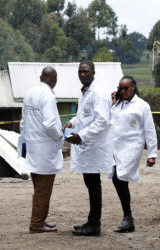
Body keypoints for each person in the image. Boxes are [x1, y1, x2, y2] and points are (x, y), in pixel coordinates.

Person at [63, 60, 113, 236]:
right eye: (80, 72)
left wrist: (81, 135)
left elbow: (101, 121)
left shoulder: (98, 93)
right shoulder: (85, 92)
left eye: (86, 71)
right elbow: (82, 116)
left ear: (93, 72)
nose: (82, 74)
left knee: (93, 184)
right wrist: (72, 122)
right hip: (87, 146)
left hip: (94, 146)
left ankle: (94, 225)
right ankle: (91, 221)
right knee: (90, 183)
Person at [19, 66, 64, 234]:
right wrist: (61, 137)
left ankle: (41, 219)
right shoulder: (48, 96)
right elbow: (50, 124)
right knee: (43, 190)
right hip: (45, 149)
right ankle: (37, 223)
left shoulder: (30, 93)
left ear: (41, 77)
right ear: (54, 80)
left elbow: (23, 123)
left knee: (39, 187)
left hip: (32, 146)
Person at [109, 75, 157, 233]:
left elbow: (149, 130)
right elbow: (110, 122)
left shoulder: (142, 106)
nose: (123, 91)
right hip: (116, 146)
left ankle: (128, 217)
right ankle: (128, 219)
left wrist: (152, 154)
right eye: (120, 88)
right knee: (119, 179)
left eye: (126, 88)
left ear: (133, 87)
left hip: (132, 146)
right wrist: (113, 104)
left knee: (119, 177)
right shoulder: (117, 105)